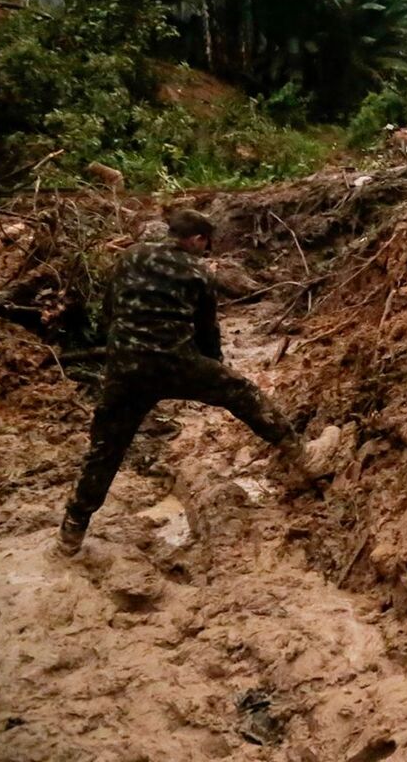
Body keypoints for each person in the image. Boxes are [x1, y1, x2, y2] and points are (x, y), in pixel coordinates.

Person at [56, 209, 298, 555]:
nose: (205, 250)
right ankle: (303, 456)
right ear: (197, 239)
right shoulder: (198, 271)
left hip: (124, 368)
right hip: (175, 362)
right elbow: (207, 329)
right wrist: (214, 367)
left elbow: (109, 311)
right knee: (242, 392)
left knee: (106, 448)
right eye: (205, 243)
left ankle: (72, 530)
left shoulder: (130, 256)